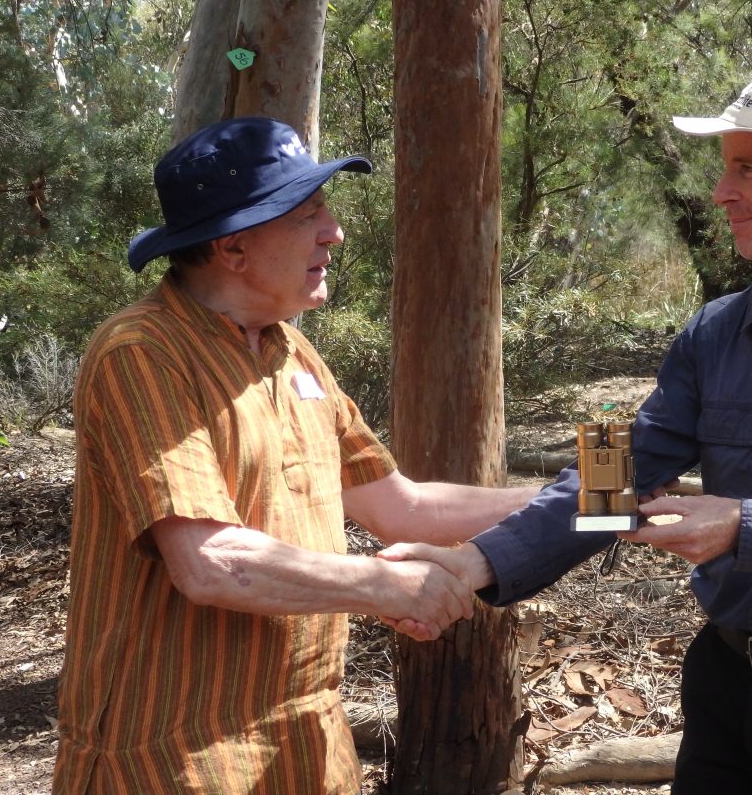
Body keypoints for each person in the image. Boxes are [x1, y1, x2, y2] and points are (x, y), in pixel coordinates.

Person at [383, 73, 752, 794]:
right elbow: (611, 474)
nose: (721, 192)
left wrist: (746, 526)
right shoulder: (715, 329)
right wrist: (476, 564)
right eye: (724, 168)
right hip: (723, 682)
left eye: (746, 167)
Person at [52, 117, 538, 794]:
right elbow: (208, 561)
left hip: (307, 744)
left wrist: (582, 502)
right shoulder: (142, 353)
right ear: (233, 247)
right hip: (175, 756)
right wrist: (384, 585)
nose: (333, 231)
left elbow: (402, 506)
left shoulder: (292, 353)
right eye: (308, 213)